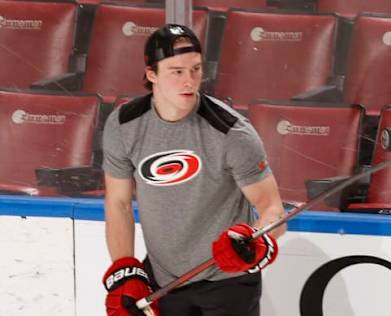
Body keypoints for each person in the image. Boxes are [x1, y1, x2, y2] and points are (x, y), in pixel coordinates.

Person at [101, 23, 286, 316]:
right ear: (152, 75)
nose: (190, 81)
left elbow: (273, 210)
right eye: (177, 71)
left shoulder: (232, 132)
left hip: (229, 283)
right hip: (164, 282)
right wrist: (125, 268)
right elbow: (119, 203)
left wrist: (257, 241)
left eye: (196, 69)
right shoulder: (123, 126)